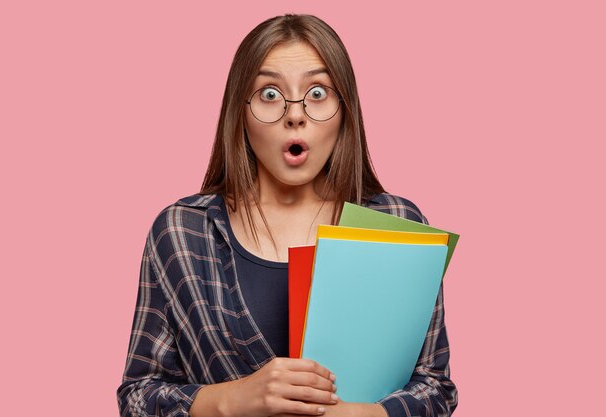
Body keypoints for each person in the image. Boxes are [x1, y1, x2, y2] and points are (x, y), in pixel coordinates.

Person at [117, 14, 457, 417]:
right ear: (239, 112)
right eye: (269, 94)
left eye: (317, 93)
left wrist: (366, 414)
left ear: (344, 110)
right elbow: (138, 395)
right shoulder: (181, 232)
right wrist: (230, 400)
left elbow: (436, 388)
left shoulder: (397, 223)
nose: (294, 115)